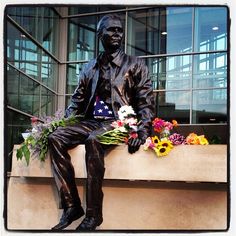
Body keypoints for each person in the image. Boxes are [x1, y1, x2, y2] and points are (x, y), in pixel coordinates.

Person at [48, 14, 154, 231]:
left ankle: (94, 214)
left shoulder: (135, 65)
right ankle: (71, 206)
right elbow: (77, 101)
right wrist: (59, 125)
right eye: (111, 30)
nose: (117, 34)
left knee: (94, 141)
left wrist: (141, 132)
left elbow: (146, 102)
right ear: (99, 35)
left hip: (121, 122)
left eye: (120, 30)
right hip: (92, 120)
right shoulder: (89, 67)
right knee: (55, 138)